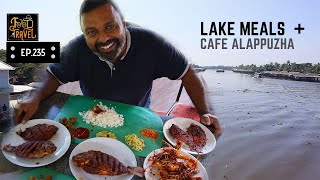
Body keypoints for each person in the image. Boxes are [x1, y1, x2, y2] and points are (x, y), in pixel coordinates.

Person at [14, 0, 222, 137]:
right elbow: (53, 75)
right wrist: (35, 97)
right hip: (92, 115)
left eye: (110, 26)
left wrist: (205, 112)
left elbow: (188, 74)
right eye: (92, 32)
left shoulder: (153, 44)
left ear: (123, 23)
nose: (103, 39)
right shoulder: (77, 47)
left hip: (139, 114)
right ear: (84, 34)